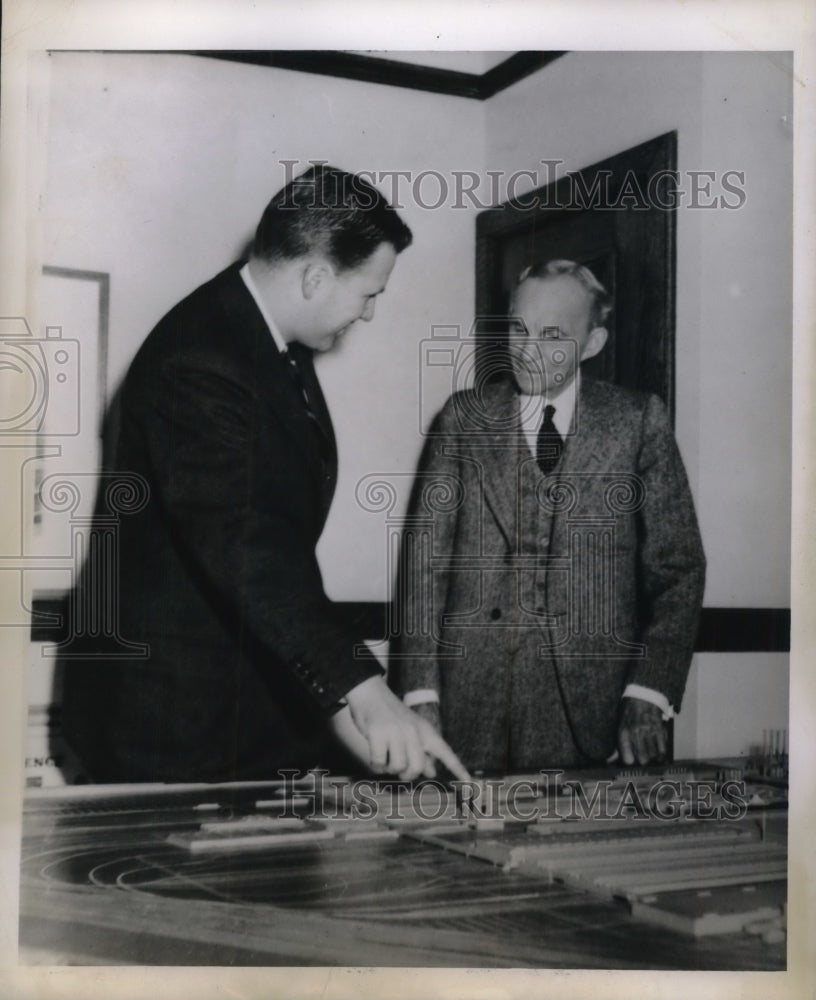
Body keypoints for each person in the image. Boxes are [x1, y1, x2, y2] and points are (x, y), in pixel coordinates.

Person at [61, 165, 467, 784]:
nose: (369, 315)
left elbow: (277, 547)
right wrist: (364, 690)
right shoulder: (199, 358)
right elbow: (251, 545)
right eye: (369, 294)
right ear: (315, 277)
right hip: (170, 729)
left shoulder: (265, 345)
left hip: (238, 713)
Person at [391, 260, 706, 772]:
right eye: (518, 328)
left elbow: (679, 571)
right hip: (467, 705)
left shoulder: (637, 422)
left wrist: (649, 691)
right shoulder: (461, 419)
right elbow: (425, 569)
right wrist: (419, 693)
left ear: (593, 343)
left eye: (552, 334)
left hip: (591, 712)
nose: (526, 348)